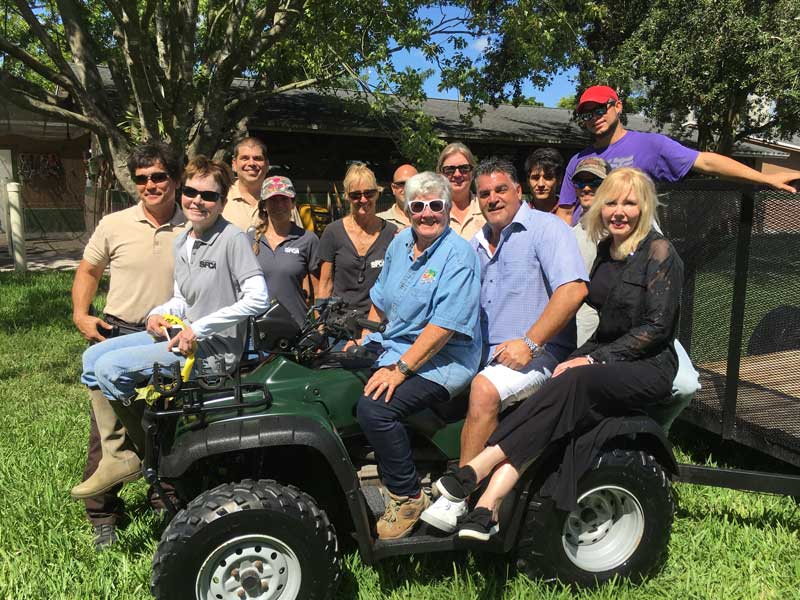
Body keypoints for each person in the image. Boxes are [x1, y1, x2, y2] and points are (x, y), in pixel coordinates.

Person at [425, 168, 684, 541]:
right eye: (611, 202)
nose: (619, 212)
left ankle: (476, 470)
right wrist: (575, 358)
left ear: (644, 207)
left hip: (649, 365)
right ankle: (488, 507)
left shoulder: (660, 252)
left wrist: (591, 360)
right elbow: (607, 327)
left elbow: (656, 328)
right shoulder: (607, 252)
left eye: (629, 203)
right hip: (608, 357)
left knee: (575, 378)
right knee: (555, 393)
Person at [420, 158, 588, 534]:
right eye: (484, 194)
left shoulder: (546, 229)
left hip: (541, 353)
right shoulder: (475, 243)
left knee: (484, 388)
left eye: (500, 190)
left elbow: (573, 290)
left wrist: (531, 342)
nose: (493, 199)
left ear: (518, 190)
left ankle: (460, 499)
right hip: (481, 353)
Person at [87, 156, 269, 473]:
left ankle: (153, 454)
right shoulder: (184, 239)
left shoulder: (232, 239)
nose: (197, 201)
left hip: (213, 351)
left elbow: (258, 298)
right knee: (92, 359)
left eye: (208, 195)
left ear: (222, 202)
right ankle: (122, 455)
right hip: (182, 336)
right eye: (191, 192)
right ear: (181, 192)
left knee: (109, 368)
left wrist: (198, 329)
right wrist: (157, 314)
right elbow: (182, 298)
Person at [70, 142, 188, 549]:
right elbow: (88, 270)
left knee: (169, 422)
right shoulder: (114, 223)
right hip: (119, 332)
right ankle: (103, 514)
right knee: (107, 433)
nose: (149, 185)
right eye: (142, 179)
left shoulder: (193, 223)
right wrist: (81, 314)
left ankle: (165, 501)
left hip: (169, 339)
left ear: (175, 179)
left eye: (158, 176)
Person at [355, 171, 482, 540]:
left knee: (375, 408)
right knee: (337, 372)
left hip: (444, 360)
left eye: (436, 205)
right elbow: (380, 301)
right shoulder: (400, 243)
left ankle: (407, 495)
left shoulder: (459, 256)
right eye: (419, 206)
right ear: (408, 210)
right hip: (396, 346)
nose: (427, 213)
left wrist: (400, 370)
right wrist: (364, 340)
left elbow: (442, 329)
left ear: (448, 208)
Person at [559, 85, 800, 224]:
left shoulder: (650, 145)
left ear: (618, 106)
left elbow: (706, 162)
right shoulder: (578, 161)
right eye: (587, 114)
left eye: (600, 109)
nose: (594, 118)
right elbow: (566, 212)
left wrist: (766, 178)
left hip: (627, 251)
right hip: (584, 252)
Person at [318, 163, 397, 314]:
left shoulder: (391, 233)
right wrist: (320, 323)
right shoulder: (333, 232)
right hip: (339, 320)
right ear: (347, 197)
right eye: (355, 195)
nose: (363, 200)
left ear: (377, 194)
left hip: (377, 320)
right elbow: (325, 283)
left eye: (369, 194)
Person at [250, 175, 320, 326]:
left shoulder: (307, 239)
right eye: (273, 200)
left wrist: (320, 328)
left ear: (293, 203)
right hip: (256, 330)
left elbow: (318, 292)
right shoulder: (249, 240)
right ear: (264, 205)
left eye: (284, 199)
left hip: (297, 329)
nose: (279, 205)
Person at [571, 157, 612, 346]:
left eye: (595, 182)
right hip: (581, 333)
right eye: (580, 183)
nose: (586, 188)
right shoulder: (572, 234)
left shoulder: (621, 226)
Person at [223, 137, 301, 231]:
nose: (251, 163)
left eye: (257, 158)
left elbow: (299, 238)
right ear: (234, 164)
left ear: (267, 165)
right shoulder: (220, 197)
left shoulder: (283, 200)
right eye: (245, 158)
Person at [435, 142, 486, 240]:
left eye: (464, 168)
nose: (457, 174)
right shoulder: (431, 211)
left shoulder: (486, 207)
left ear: (472, 173)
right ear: (440, 174)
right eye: (450, 169)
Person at [524, 148, 573, 225]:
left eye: (548, 178)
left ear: (559, 180)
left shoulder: (570, 213)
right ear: (528, 181)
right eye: (535, 178)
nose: (541, 184)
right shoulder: (521, 214)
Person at [377, 163, 417, 230]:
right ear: (393, 188)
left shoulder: (430, 218)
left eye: (411, 183)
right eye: (401, 184)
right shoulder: (378, 221)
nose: (406, 188)